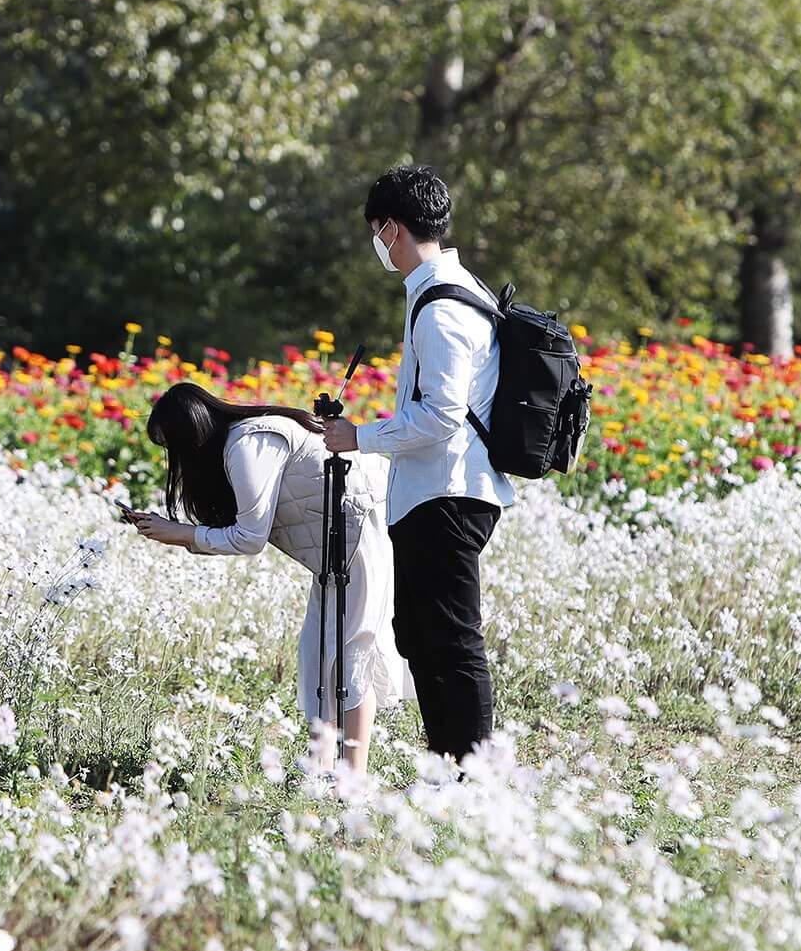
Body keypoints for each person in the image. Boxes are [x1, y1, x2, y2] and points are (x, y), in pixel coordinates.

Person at [319, 164, 516, 763]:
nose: (378, 245)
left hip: (448, 492)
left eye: (377, 232)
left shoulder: (441, 307)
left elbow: (441, 417)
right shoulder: (447, 291)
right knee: (422, 637)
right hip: (439, 490)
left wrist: (358, 436)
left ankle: (472, 776)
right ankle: (448, 767)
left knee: (452, 640)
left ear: (393, 229)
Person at [125, 382, 407, 775]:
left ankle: (353, 778)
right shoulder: (243, 440)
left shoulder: (248, 444)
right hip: (340, 539)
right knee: (320, 652)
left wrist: (183, 534)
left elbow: (249, 537)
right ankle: (323, 766)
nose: (175, 459)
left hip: (362, 528)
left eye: (173, 446)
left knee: (350, 651)